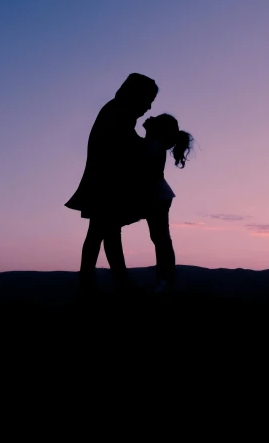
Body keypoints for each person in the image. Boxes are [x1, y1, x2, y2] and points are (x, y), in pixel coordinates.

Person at [65, 73, 159, 298]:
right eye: (147, 100)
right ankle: (97, 286)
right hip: (105, 185)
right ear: (136, 95)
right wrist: (150, 138)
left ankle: (109, 284)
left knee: (106, 234)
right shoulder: (119, 112)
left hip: (104, 183)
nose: (147, 107)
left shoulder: (116, 110)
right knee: (102, 234)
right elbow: (126, 146)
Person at [140, 114, 194, 294]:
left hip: (156, 196)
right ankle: (166, 279)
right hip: (157, 196)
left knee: (160, 239)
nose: (150, 117)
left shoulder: (154, 145)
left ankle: (166, 280)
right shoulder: (156, 144)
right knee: (160, 238)